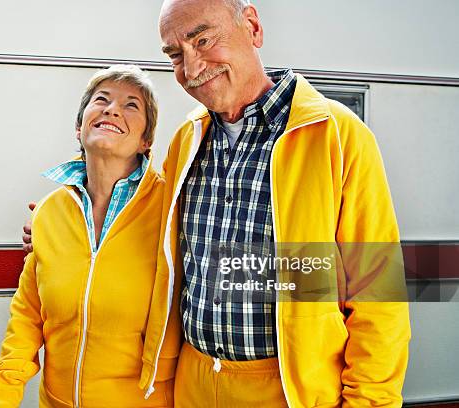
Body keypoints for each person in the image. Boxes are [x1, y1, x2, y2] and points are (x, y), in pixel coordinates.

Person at [24, 1, 411, 406]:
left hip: (290, 393)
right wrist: (65, 229)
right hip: (192, 387)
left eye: (203, 40)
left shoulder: (338, 135)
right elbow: (145, 228)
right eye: (176, 55)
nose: (191, 69)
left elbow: (377, 295)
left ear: (253, 27)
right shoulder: (186, 141)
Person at [0, 65, 181, 407]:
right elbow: (27, 319)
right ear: (79, 127)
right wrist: (1, 398)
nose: (111, 109)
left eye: (131, 105)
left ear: (146, 140)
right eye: (101, 99)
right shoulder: (49, 211)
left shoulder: (171, 209)